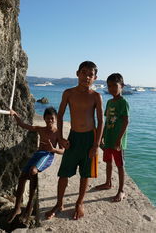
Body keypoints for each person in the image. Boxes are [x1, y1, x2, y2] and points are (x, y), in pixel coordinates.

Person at [45, 61, 104, 220]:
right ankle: (59, 203)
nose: (86, 77)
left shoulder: (96, 96)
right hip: (73, 137)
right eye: (83, 73)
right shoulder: (68, 93)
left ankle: (79, 202)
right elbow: (61, 115)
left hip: (89, 138)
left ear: (95, 78)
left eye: (90, 74)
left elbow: (100, 121)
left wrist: (96, 145)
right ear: (77, 73)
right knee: (64, 173)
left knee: (85, 174)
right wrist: (61, 138)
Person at [8, 107, 64, 223]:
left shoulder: (58, 133)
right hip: (38, 154)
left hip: (48, 155)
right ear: (44, 119)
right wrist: (14, 114)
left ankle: (29, 207)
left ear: (56, 119)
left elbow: (63, 150)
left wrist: (53, 149)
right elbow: (23, 125)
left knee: (33, 170)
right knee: (23, 175)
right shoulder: (41, 129)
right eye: (47, 119)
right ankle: (17, 207)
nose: (50, 121)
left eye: (52, 119)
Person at [95, 73, 129, 202]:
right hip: (108, 139)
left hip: (117, 141)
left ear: (122, 86)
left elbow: (126, 121)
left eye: (115, 86)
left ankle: (121, 190)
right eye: (109, 86)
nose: (112, 89)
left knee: (120, 165)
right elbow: (107, 120)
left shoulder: (123, 102)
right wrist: (102, 136)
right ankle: (108, 182)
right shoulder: (109, 102)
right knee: (108, 162)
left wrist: (119, 139)